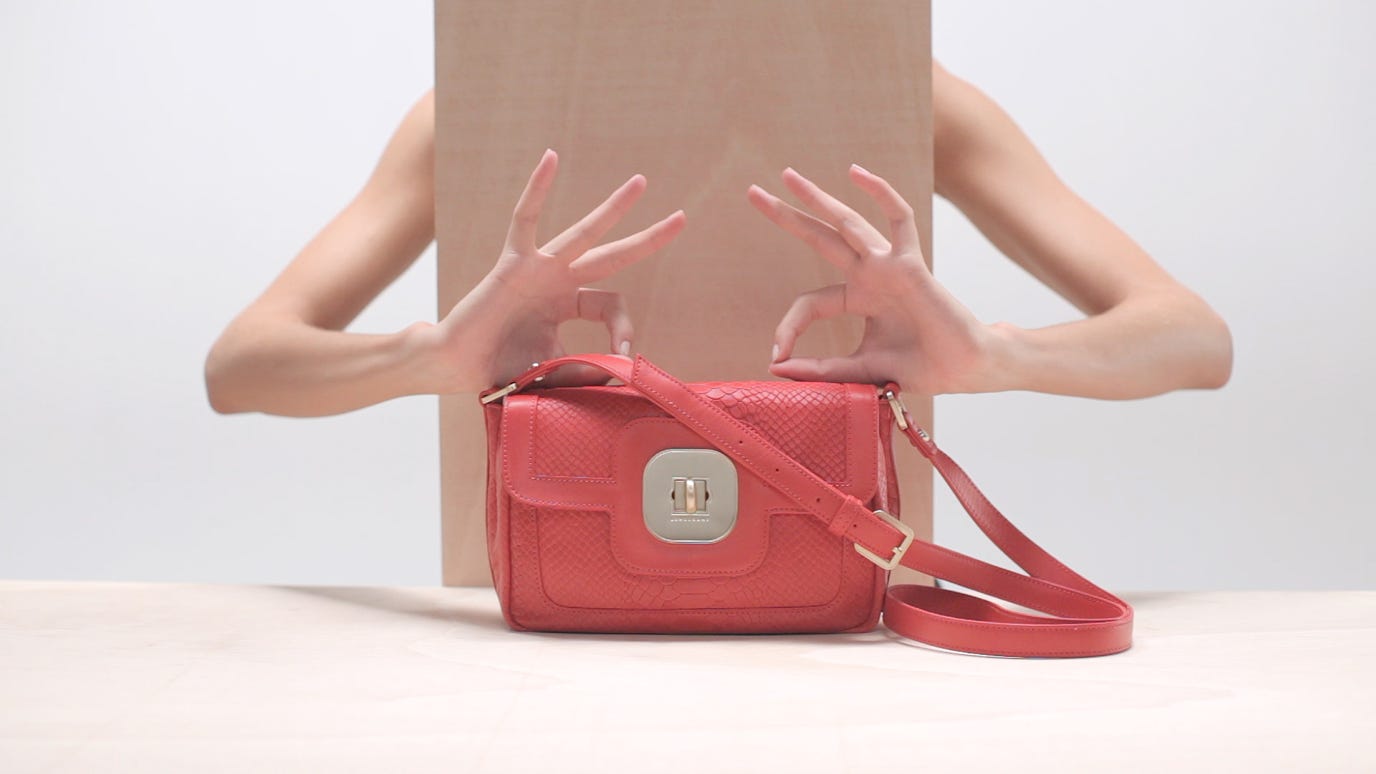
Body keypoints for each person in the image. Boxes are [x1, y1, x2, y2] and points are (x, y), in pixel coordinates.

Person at [204, 62, 1231, 416]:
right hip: (543, 625)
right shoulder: (475, 105)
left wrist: (1000, 358)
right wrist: (425, 358)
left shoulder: (903, 91)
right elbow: (239, 366)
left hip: (847, 630)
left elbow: (1194, 339)